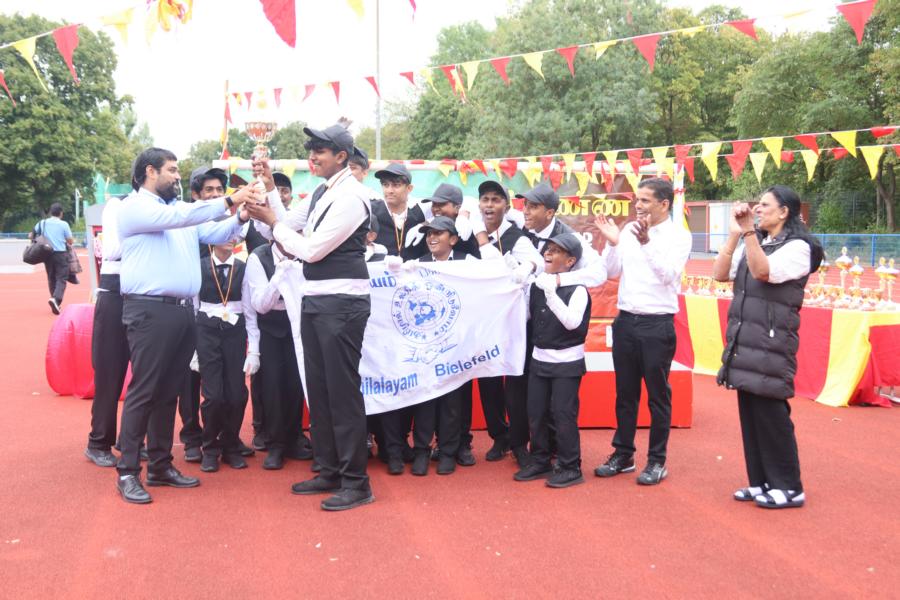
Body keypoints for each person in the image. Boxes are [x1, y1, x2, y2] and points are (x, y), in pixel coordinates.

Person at [114, 147, 259, 504]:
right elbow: (184, 217)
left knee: (168, 393)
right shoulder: (135, 207)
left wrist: (242, 214)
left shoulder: (177, 213)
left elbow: (217, 232)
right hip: (149, 311)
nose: (178, 176)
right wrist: (230, 199)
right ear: (150, 172)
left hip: (181, 312)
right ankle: (128, 471)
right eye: (172, 170)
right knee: (145, 391)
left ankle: (160, 465)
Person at [246, 123, 374, 511]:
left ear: (342, 156)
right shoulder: (322, 191)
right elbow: (285, 223)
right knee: (318, 390)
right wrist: (269, 187)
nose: (312, 156)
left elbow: (311, 249)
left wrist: (272, 222)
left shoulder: (353, 196)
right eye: (311, 149)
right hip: (316, 299)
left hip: (342, 303)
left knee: (341, 392)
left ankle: (357, 482)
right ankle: (330, 468)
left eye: (320, 150)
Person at [712, 186, 823, 509]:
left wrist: (748, 232)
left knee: (772, 416)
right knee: (751, 414)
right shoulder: (756, 240)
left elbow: (764, 272)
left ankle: (789, 487)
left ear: (784, 212)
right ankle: (761, 481)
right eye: (757, 204)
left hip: (772, 342)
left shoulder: (799, 247)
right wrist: (736, 235)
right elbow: (720, 274)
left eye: (764, 205)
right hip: (745, 339)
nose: (757, 209)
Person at [592, 177, 691, 485]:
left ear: (664, 204)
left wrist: (647, 243)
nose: (638, 205)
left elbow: (668, 276)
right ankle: (623, 454)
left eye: (645, 200)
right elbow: (611, 271)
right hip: (625, 321)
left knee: (658, 396)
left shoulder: (678, 236)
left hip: (657, 323)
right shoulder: (628, 231)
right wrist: (612, 243)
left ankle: (657, 460)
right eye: (637, 199)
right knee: (625, 393)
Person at [473, 180, 543, 467]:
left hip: (516, 324)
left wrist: (525, 268)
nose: (489, 205)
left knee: (516, 384)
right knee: (488, 381)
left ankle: (518, 442)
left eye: (496, 200)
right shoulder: (468, 235)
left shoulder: (518, 238)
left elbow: (538, 264)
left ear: (506, 205)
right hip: (484, 324)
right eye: (485, 200)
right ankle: (498, 436)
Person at [514, 233, 591, 488]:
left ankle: (570, 466)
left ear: (570, 261)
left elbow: (572, 322)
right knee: (536, 412)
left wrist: (551, 295)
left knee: (562, 414)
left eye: (556, 251)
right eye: (548, 249)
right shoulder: (538, 286)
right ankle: (540, 460)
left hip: (567, 363)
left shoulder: (578, 289)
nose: (548, 253)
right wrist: (518, 288)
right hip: (539, 360)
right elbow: (525, 316)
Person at [415, 215, 477, 475]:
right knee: (424, 398)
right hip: (425, 346)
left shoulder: (469, 262)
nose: (431, 237)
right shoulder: (415, 264)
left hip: (456, 345)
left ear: (453, 239)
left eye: (438, 233)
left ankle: (448, 451)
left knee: (453, 401)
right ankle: (421, 450)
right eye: (429, 233)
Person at [245, 238, 312, 470]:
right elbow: (260, 304)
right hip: (269, 325)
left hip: (298, 323)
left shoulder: (304, 253)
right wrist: (280, 276)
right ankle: (275, 443)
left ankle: (294, 437)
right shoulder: (258, 257)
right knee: (272, 385)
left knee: (296, 382)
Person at [193, 241, 251, 472]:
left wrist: (254, 348)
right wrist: (193, 346)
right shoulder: (199, 266)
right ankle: (209, 448)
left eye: (232, 234)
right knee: (213, 396)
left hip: (235, 333)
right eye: (223, 234)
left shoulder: (243, 267)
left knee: (236, 395)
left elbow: (249, 308)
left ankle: (231, 446)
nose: (229, 238)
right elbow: (193, 306)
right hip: (206, 333)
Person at [84, 195, 128, 467]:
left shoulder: (164, 208)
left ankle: (131, 439)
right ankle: (98, 442)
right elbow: (112, 249)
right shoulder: (117, 206)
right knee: (110, 374)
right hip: (115, 292)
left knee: (146, 377)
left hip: (146, 293)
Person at [371, 163, 428, 260]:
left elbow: (448, 212)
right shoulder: (371, 209)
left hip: (414, 268)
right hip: (380, 268)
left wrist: (424, 225)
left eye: (396, 185)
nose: (389, 190)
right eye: (385, 185)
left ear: (409, 188)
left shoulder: (420, 209)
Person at [32, 203, 74, 315]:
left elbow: (33, 234)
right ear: (61, 213)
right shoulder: (64, 224)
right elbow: (70, 240)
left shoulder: (42, 223)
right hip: (60, 254)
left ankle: (54, 301)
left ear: (50, 212)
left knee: (51, 278)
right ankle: (56, 299)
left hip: (47, 254)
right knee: (62, 278)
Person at [420, 183, 480, 257]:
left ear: (457, 208)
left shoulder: (467, 229)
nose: (435, 209)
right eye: (434, 204)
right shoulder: (426, 231)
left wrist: (464, 214)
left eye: (441, 204)